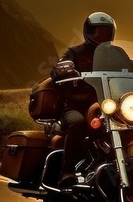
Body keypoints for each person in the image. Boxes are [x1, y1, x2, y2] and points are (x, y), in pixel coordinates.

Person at [50, 12, 117, 187]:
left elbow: (132, 66)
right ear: (88, 32)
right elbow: (58, 68)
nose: (101, 36)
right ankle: (67, 171)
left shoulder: (115, 54)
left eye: (106, 32)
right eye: (97, 32)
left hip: (105, 105)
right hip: (75, 106)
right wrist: (63, 69)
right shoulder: (75, 52)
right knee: (78, 123)